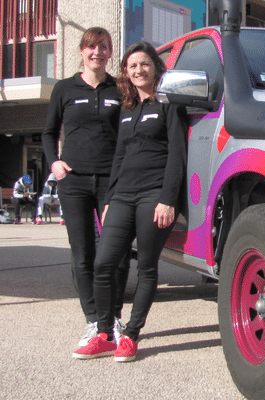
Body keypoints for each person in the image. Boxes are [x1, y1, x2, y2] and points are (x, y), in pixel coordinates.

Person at [73, 41, 187, 362]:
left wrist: (168, 198)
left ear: (155, 68)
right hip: (122, 196)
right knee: (103, 263)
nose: (138, 70)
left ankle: (131, 335)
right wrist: (109, 199)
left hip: (154, 196)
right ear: (126, 71)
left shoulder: (169, 104)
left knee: (147, 267)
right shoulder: (127, 108)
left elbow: (177, 155)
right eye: (132, 66)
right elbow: (119, 157)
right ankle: (105, 333)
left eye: (144, 64)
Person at [41, 27, 130, 347]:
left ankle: (114, 317)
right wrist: (54, 163)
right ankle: (94, 321)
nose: (98, 52)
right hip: (74, 182)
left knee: (116, 253)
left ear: (109, 52)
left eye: (104, 47)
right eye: (92, 47)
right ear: (82, 51)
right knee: (83, 253)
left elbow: (127, 133)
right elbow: (49, 132)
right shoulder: (65, 88)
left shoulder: (119, 89)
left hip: (111, 181)